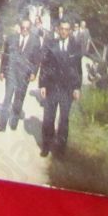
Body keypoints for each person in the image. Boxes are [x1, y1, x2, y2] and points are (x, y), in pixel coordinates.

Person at [38, 20, 83, 157]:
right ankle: (46, 146)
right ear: (58, 29)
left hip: (67, 89)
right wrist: (43, 85)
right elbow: (44, 65)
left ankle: (60, 150)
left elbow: (78, 69)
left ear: (70, 31)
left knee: (64, 120)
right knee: (48, 118)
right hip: (52, 87)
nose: (64, 31)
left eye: (67, 29)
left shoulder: (75, 47)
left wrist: (77, 87)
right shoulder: (51, 44)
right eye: (62, 29)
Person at [0, 18, 42, 132]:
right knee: (7, 98)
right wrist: (2, 71)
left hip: (24, 74)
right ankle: (2, 125)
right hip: (11, 72)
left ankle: (14, 122)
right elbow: (5, 55)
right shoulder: (12, 38)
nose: (24, 30)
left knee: (19, 99)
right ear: (20, 27)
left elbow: (37, 59)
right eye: (23, 27)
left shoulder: (35, 41)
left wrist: (34, 73)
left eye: (27, 28)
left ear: (30, 29)